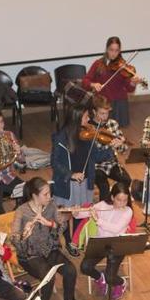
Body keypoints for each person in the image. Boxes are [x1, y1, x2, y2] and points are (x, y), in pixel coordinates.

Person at [10, 177, 84, 300]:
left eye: (49, 193)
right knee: (48, 278)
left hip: (50, 249)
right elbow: (13, 238)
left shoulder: (51, 206)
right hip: (30, 255)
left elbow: (63, 225)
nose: (49, 197)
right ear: (34, 195)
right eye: (45, 194)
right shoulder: (22, 211)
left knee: (71, 270)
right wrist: (25, 233)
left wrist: (49, 224)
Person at [51, 104, 111, 255]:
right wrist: (70, 174)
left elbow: (96, 156)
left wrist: (111, 148)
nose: (89, 119)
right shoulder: (61, 137)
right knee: (65, 215)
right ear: (77, 118)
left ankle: (74, 241)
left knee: (81, 212)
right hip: (67, 184)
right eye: (86, 116)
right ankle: (65, 240)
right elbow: (55, 162)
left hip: (84, 182)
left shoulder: (88, 135)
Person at [74, 182, 135, 300]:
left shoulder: (128, 211)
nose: (122, 204)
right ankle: (99, 278)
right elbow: (84, 213)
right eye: (119, 200)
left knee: (110, 278)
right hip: (100, 243)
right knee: (85, 267)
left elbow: (116, 229)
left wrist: (98, 220)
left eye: (125, 200)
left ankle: (121, 283)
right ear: (112, 197)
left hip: (117, 245)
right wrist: (76, 212)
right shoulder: (102, 205)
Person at [81, 36, 141, 127]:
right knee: (102, 130)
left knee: (117, 131)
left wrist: (133, 83)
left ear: (119, 51)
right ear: (106, 49)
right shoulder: (98, 64)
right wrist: (93, 84)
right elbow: (85, 81)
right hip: (103, 103)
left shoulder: (123, 66)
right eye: (111, 50)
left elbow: (129, 89)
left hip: (119, 103)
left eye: (116, 50)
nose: (113, 53)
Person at [90, 95, 131, 201]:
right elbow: (93, 156)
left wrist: (120, 144)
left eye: (107, 113)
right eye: (102, 113)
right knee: (104, 186)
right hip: (95, 166)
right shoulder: (88, 128)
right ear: (94, 112)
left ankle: (115, 200)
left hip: (111, 163)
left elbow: (123, 149)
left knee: (126, 180)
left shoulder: (112, 124)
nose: (105, 117)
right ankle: (104, 210)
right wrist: (109, 147)